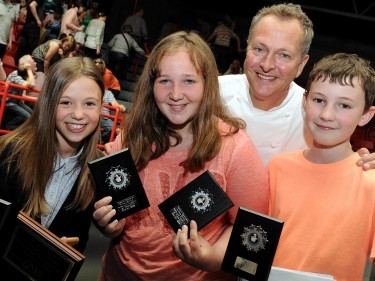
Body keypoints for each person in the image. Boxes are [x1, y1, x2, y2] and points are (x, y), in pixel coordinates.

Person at [95, 30, 268, 280]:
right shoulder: (130, 137)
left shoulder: (235, 149)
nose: (176, 94)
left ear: (207, 84)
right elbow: (118, 214)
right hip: (117, 273)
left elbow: (253, 230)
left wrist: (212, 258)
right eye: (165, 81)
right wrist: (110, 224)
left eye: (189, 81)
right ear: (151, 84)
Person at [218, 3, 375, 169]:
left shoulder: (314, 112)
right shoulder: (212, 91)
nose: (267, 64)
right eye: (259, 49)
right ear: (246, 47)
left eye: (284, 55)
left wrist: (366, 164)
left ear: (301, 64)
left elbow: (344, 164)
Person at [268, 53, 375, 281]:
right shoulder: (278, 168)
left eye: (344, 105)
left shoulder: (371, 183)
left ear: (366, 115)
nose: (327, 115)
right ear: (305, 101)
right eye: (319, 101)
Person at [0, 56, 104, 280]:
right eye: (66, 102)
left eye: (89, 103)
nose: (78, 114)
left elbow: (80, 241)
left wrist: (61, 255)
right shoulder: (11, 153)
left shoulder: (96, 170)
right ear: (49, 103)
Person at [14, 0, 46, 65]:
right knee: (30, 48)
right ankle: (24, 66)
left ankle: (17, 64)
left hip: (28, 25)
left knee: (23, 46)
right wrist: (37, 19)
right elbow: (32, 5)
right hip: (33, 27)